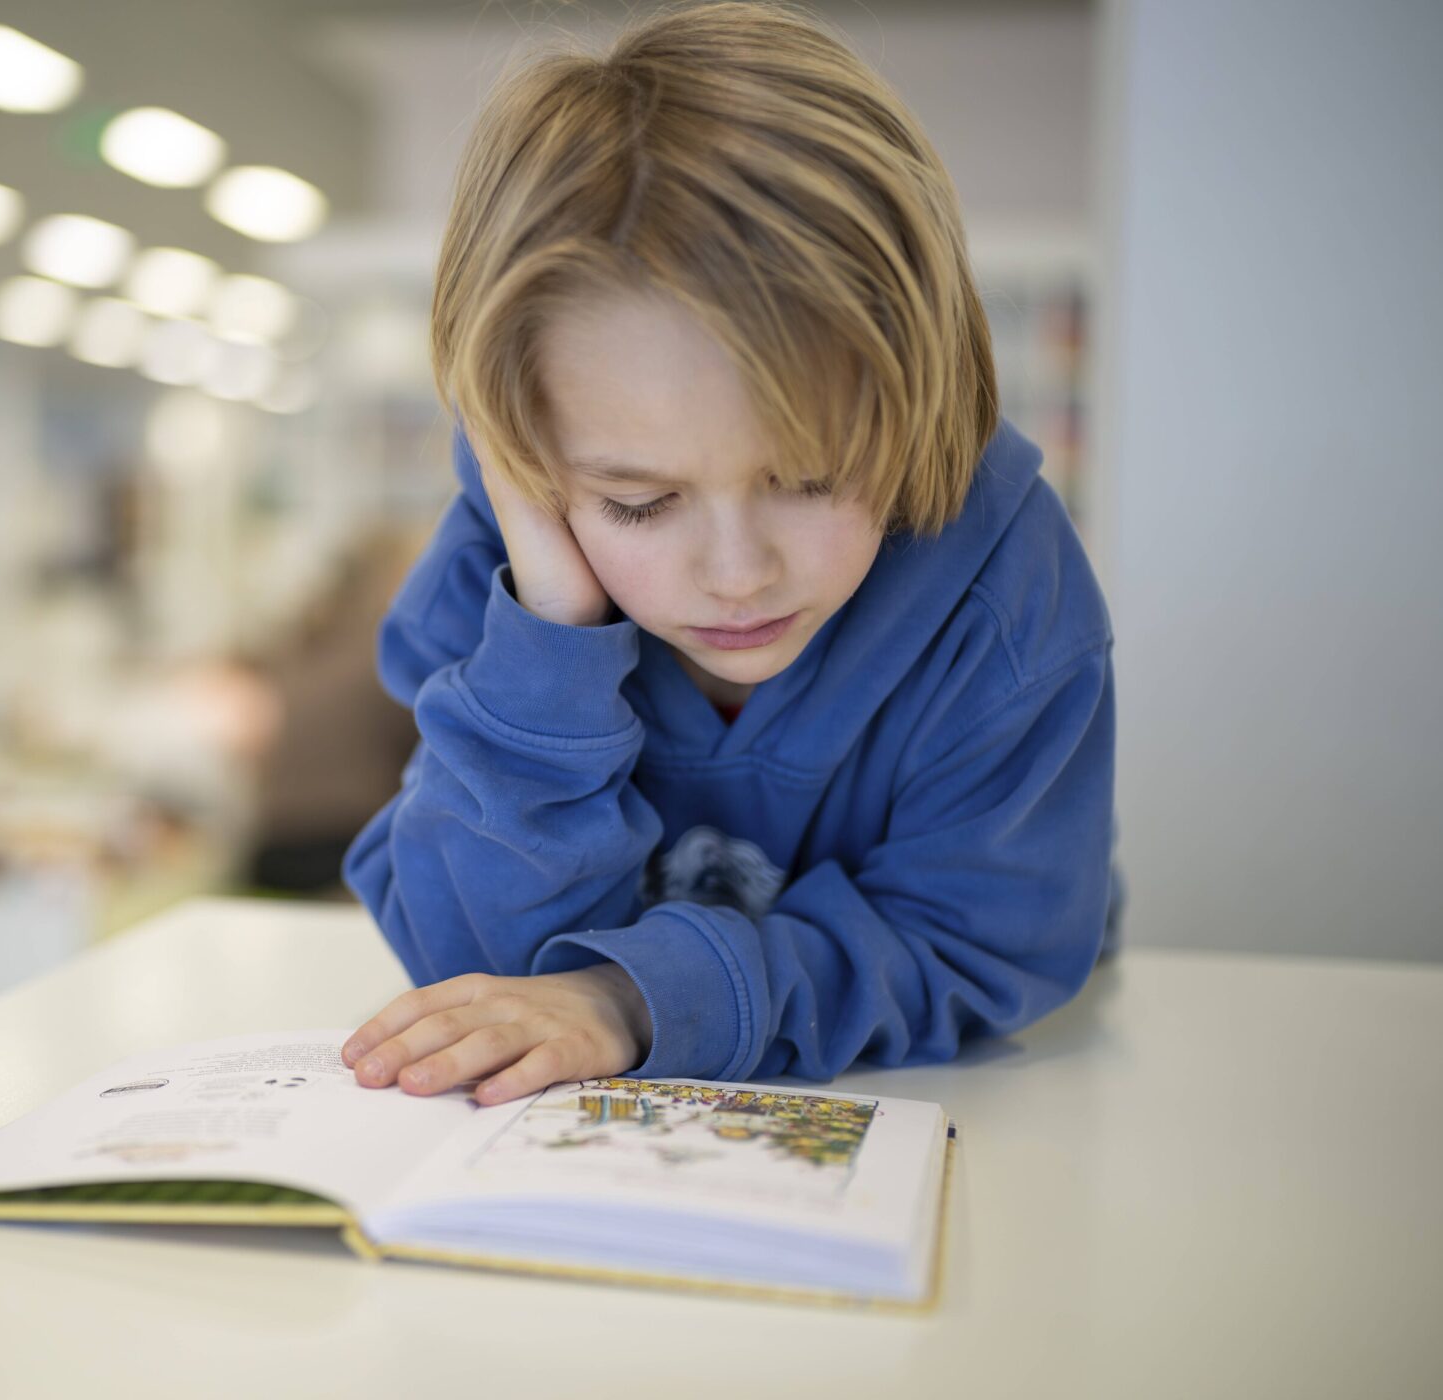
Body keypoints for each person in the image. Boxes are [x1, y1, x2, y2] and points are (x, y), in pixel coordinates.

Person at [339, 2, 1120, 1105]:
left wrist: (630, 996)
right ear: (532, 461)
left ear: (919, 396)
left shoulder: (1005, 592)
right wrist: (550, 639)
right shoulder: (498, 570)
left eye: (811, 478)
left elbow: (980, 943)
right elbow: (467, 968)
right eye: (642, 501)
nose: (738, 572)